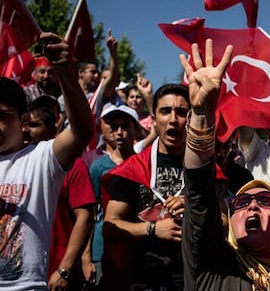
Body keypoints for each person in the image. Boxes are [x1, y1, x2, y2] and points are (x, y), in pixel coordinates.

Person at [181, 38, 270, 290]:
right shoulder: (210, 270)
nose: (253, 206)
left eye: (267, 201)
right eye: (241, 202)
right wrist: (203, 115)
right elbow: (198, 195)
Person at [0, 32, 93, 290]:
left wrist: (65, 73)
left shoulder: (40, 159)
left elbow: (82, 132)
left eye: (3, 115)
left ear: (24, 121)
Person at [102, 83, 190, 291]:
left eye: (181, 112)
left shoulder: (204, 167)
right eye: (165, 111)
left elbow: (224, 222)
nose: (173, 119)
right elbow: (110, 226)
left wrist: (196, 206)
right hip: (146, 280)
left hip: (195, 277)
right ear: (154, 118)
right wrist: (152, 229)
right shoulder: (133, 168)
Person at [88, 104, 142, 290]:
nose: (119, 132)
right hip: (103, 249)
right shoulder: (98, 167)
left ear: (137, 130)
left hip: (139, 250)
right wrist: (86, 255)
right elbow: (90, 213)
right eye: (114, 127)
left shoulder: (145, 165)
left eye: (125, 126)